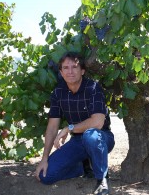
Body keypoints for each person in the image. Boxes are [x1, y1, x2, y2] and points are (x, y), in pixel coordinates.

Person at [35, 51, 115, 195]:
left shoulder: (93, 88)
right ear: (60, 71)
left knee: (91, 136)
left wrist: (69, 128)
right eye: (65, 68)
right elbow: (52, 126)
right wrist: (44, 158)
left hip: (101, 137)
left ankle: (102, 180)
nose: (70, 71)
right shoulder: (58, 93)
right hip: (78, 141)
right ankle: (82, 168)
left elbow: (97, 122)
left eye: (74, 67)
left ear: (82, 70)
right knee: (45, 176)